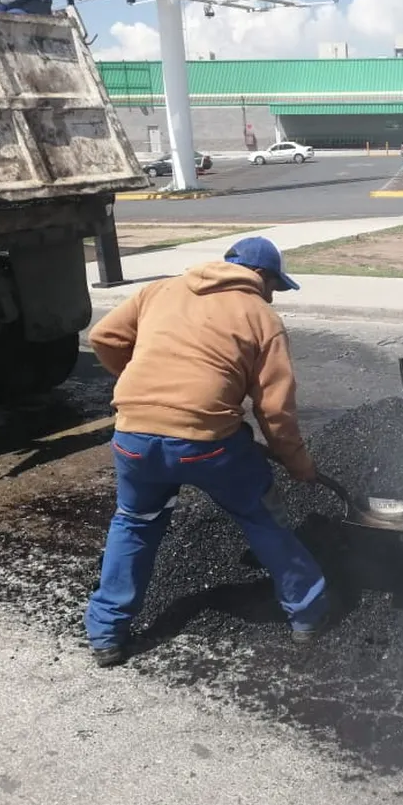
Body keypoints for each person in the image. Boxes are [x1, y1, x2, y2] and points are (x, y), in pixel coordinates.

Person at [84, 237, 329, 668]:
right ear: (263, 276)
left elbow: (104, 337)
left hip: (133, 438)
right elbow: (274, 410)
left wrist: (143, 382)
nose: (273, 295)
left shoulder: (159, 290)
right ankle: (308, 614)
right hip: (205, 445)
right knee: (260, 515)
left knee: (134, 522)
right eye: (274, 286)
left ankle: (106, 633)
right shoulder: (260, 315)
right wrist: (297, 462)